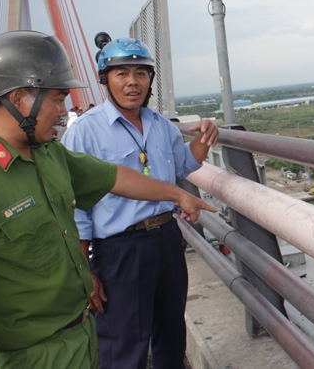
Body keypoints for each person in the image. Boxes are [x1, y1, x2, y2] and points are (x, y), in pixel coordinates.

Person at [0, 30, 215, 369]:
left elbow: (115, 176)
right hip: (31, 355)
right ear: (19, 100)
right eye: (58, 100)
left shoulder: (49, 155)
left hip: (81, 339)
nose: (64, 112)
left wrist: (178, 195)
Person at [62, 36, 218, 369]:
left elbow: (182, 166)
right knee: (123, 346)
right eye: (122, 74)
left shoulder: (161, 126)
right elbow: (76, 208)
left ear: (150, 80)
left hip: (166, 241)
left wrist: (203, 139)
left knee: (171, 338)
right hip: (119, 249)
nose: (133, 82)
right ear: (105, 79)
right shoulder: (85, 132)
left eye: (141, 73)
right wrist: (84, 269)